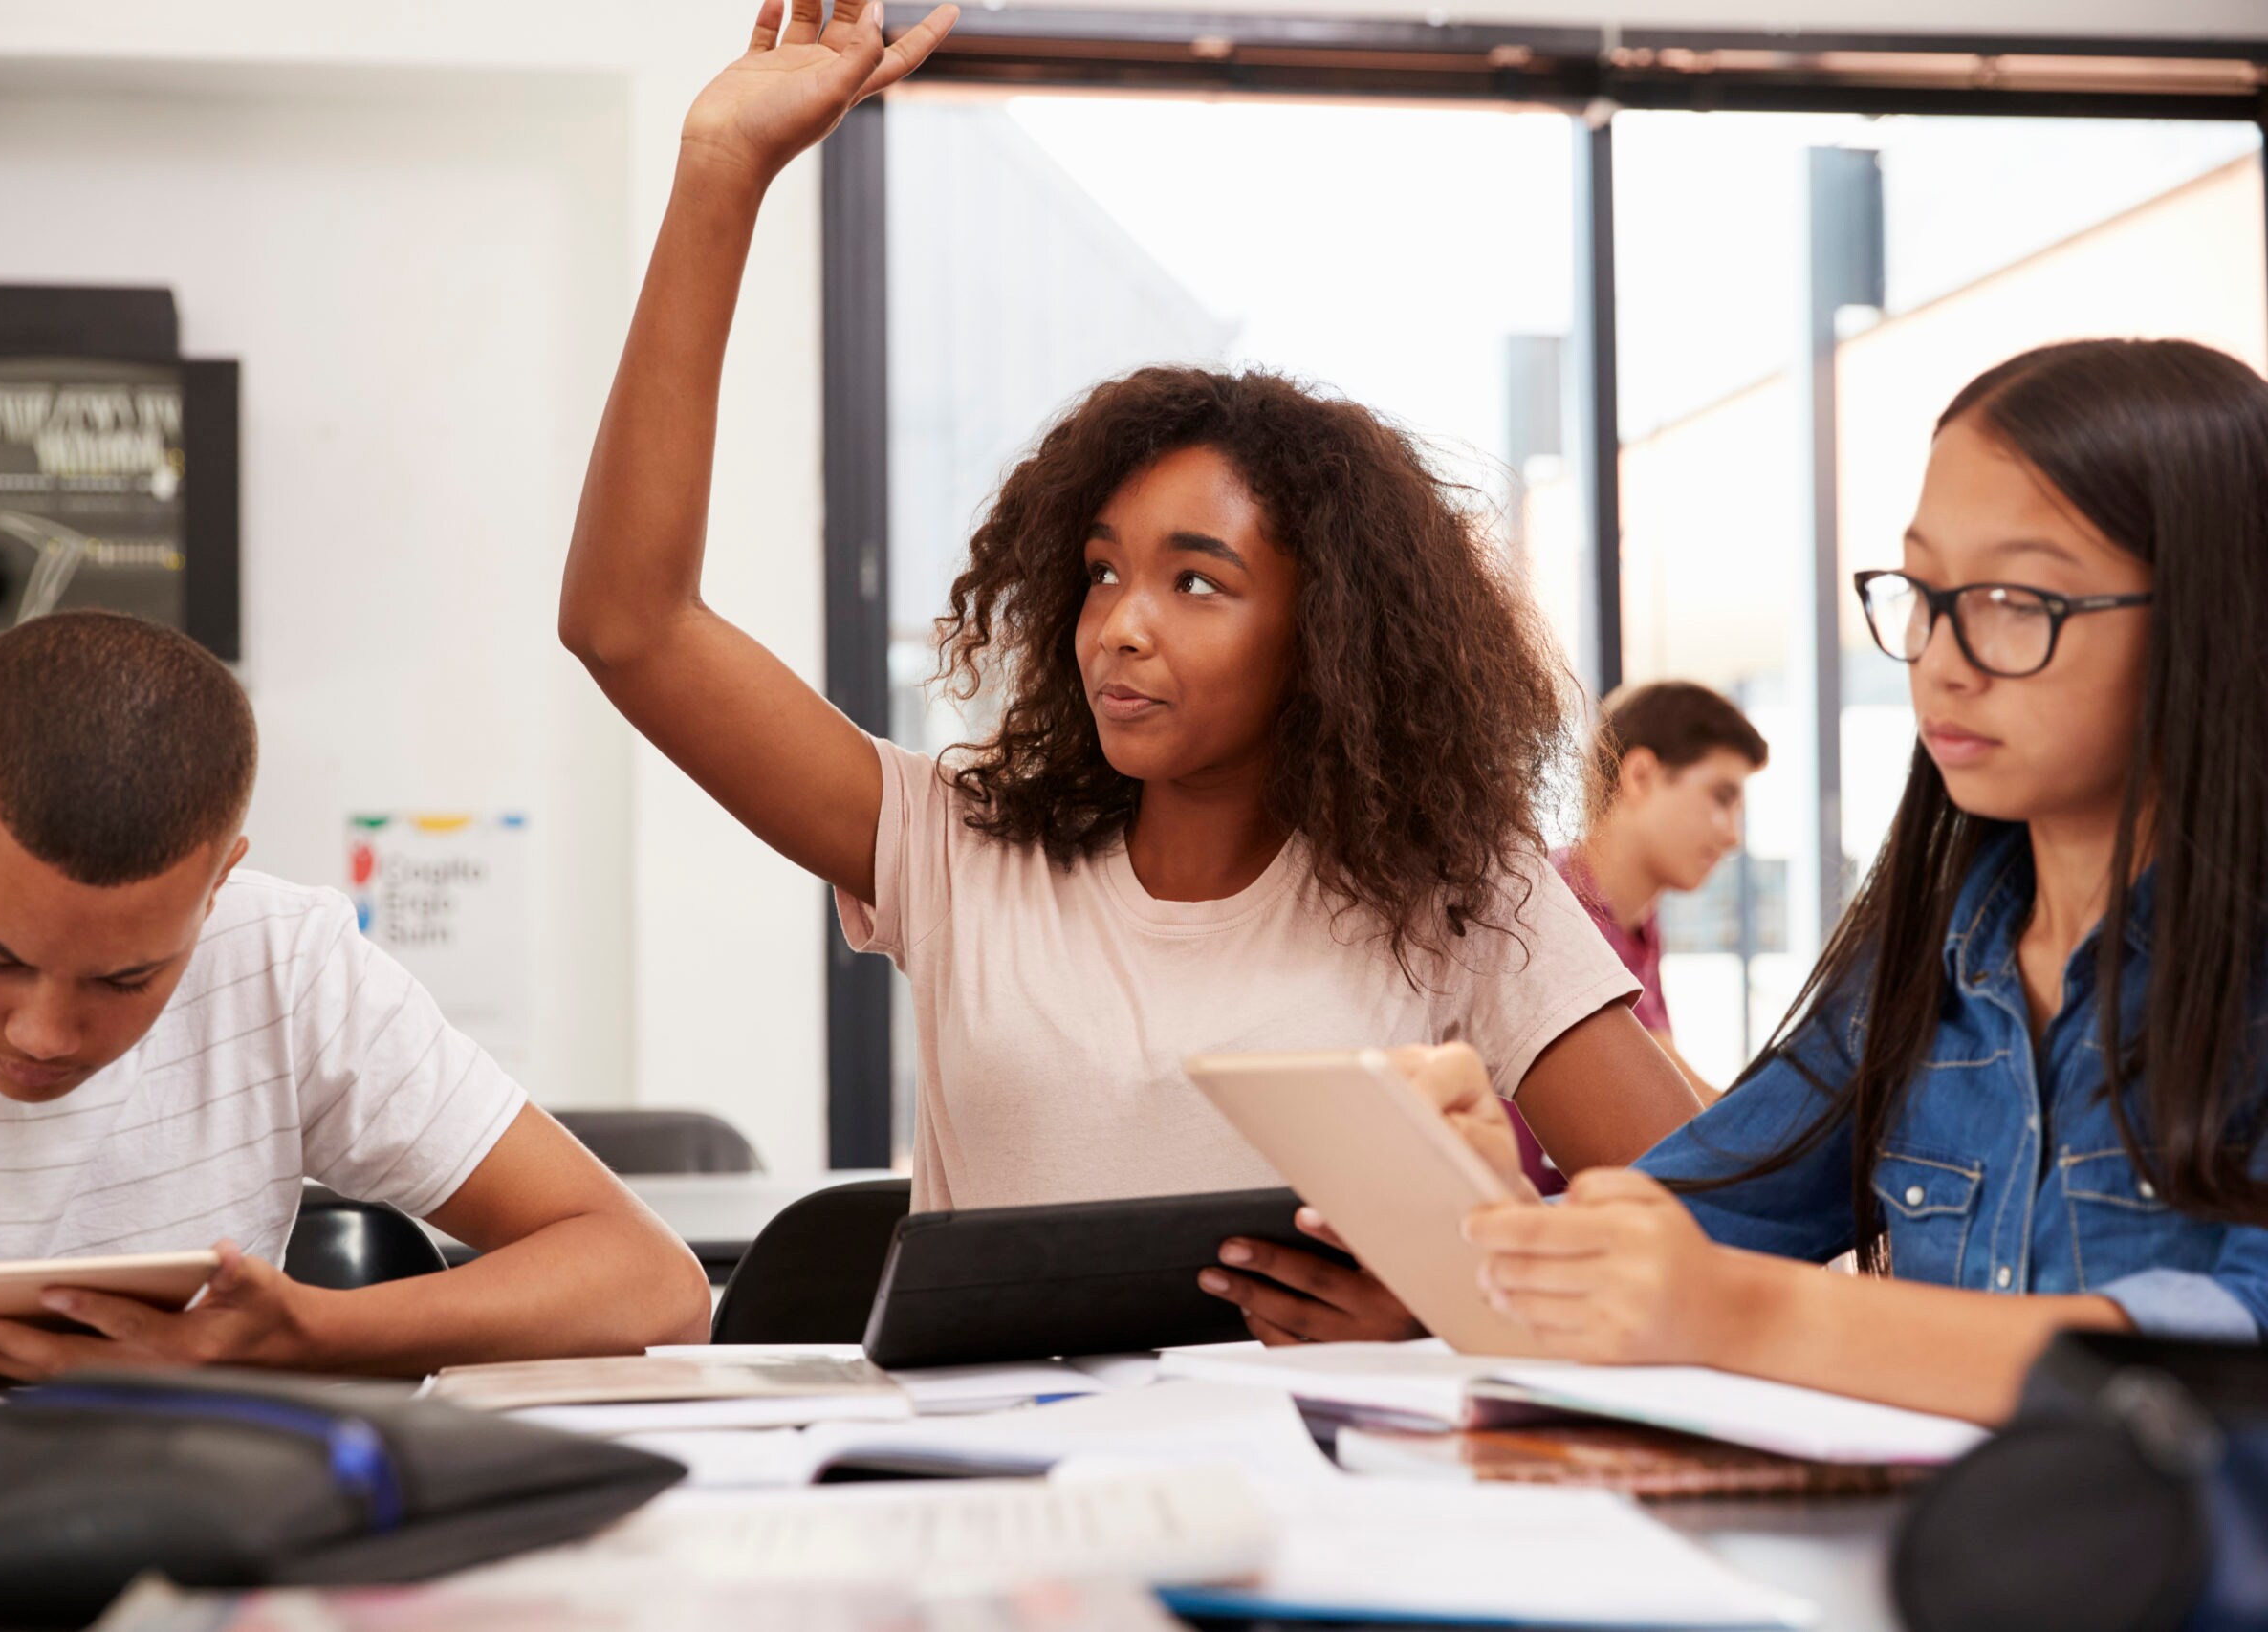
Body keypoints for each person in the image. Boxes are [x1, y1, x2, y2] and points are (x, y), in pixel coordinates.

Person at [558, 0, 1701, 1265]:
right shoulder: (959, 846)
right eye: (1102, 575)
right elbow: (630, 626)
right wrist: (722, 172)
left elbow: (1712, 1227)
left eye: (1197, 582)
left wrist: (1450, 1270)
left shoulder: (1456, 888)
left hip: (1308, 1461)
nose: (1121, 628)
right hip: (1002, 1463)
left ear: (1330, 634)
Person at [1217, 338, 2268, 1422]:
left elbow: (2232, 1356)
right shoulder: (1919, 968)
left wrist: (1746, 1313)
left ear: (2214, 615)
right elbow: (1687, 1224)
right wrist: (1474, 1219)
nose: (1941, 658)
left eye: (2014, 597)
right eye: (1924, 588)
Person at [0, 610, 709, 1381]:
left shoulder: (279, 960)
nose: (45, 1033)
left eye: (126, 978)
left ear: (218, 885)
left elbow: (656, 1290)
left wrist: (305, 1332)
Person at [1560, 683, 1769, 1103]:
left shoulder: (1639, 921)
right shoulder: (1557, 912)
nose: (1732, 836)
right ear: (1640, 777)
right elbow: (1693, 1115)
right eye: (1721, 798)